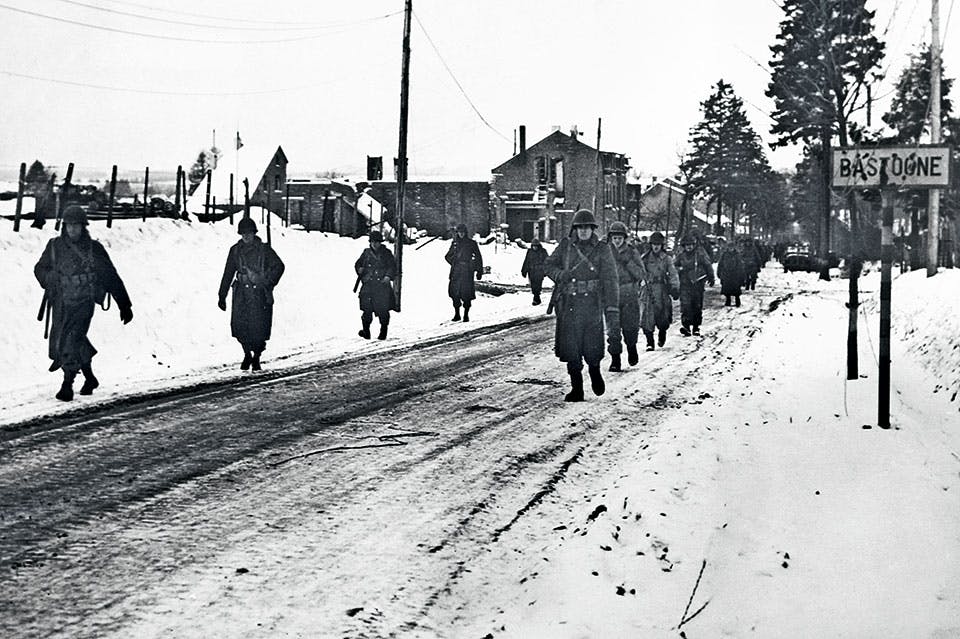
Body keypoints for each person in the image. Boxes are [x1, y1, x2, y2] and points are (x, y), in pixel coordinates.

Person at [34, 205, 133, 401]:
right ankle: (89, 378)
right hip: (61, 302)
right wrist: (48, 277)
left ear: (83, 226)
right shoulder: (54, 246)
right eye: (69, 225)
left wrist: (124, 304)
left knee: (71, 339)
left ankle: (67, 384)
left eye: (76, 225)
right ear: (64, 226)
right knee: (64, 339)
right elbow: (39, 268)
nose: (72, 229)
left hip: (84, 302)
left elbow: (110, 276)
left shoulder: (93, 249)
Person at [544, 209, 619, 401]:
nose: (583, 231)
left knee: (592, 346)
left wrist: (611, 307)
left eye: (587, 227)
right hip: (569, 304)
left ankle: (594, 371)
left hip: (592, 304)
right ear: (575, 229)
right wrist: (560, 275)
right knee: (571, 348)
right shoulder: (566, 246)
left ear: (593, 229)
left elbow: (611, 279)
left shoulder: (602, 249)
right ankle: (577, 388)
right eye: (580, 227)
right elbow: (548, 265)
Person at [218, 217, 285, 371]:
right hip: (241, 293)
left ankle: (256, 357)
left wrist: (268, 282)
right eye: (243, 233)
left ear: (254, 233)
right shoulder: (235, 251)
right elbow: (228, 273)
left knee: (258, 328)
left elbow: (279, 266)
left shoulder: (264, 249)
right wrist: (222, 295)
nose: (246, 236)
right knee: (240, 326)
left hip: (259, 294)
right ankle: (247, 353)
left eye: (249, 233)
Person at [606, 221, 646, 370]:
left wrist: (628, 262)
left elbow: (641, 274)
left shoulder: (632, 252)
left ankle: (631, 348)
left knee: (630, 327)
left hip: (629, 294)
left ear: (624, 238)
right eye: (614, 238)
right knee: (613, 330)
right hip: (611, 295)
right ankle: (615, 360)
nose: (617, 241)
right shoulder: (605, 252)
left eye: (620, 238)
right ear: (610, 238)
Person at [639, 231, 679, 351]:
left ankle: (662, 332)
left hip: (662, 289)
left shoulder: (667, 259)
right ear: (650, 245)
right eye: (654, 244)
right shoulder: (645, 258)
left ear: (662, 245)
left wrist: (675, 287)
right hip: (648, 289)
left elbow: (673, 274)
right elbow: (638, 272)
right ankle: (649, 341)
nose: (656, 246)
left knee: (663, 315)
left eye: (658, 244)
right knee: (646, 315)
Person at [354, 229, 397, 340]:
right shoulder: (366, 253)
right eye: (372, 242)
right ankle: (366, 331)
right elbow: (358, 264)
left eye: (377, 242)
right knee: (366, 310)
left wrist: (388, 276)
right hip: (368, 285)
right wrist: (360, 269)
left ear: (380, 242)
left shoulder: (386, 253)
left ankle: (383, 332)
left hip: (382, 285)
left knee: (383, 310)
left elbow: (392, 266)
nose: (375, 244)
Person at [674, 234, 715, 336]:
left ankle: (696, 327)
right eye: (687, 245)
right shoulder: (681, 256)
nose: (689, 247)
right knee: (685, 305)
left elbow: (708, 265)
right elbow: (674, 266)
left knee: (696, 305)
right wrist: (679, 270)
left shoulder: (700, 254)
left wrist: (711, 277)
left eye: (691, 245)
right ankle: (686, 326)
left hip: (697, 283)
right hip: (685, 284)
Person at [445, 223, 483, 322]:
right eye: (459, 232)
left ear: (466, 233)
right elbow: (447, 256)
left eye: (463, 232)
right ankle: (457, 314)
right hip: (456, 272)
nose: (461, 234)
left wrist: (478, 270)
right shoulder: (454, 244)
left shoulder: (471, 243)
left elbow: (478, 257)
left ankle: (466, 314)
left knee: (466, 293)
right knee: (454, 293)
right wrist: (454, 262)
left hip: (467, 271)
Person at [520, 237, 549, 305]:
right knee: (533, 285)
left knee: (538, 285)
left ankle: (536, 298)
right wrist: (524, 271)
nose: (534, 247)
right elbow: (526, 261)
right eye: (533, 246)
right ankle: (536, 297)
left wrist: (546, 271)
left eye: (536, 246)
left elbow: (547, 261)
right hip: (531, 271)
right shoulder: (530, 251)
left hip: (539, 271)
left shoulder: (543, 251)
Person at [717, 241, 746, 307]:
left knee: (736, 289)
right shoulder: (724, 254)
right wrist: (719, 272)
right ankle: (728, 300)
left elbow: (741, 265)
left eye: (732, 247)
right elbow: (720, 264)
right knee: (727, 289)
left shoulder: (737, 255)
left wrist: (741, 275)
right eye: (730, 247)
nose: (731, 249)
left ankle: (737, 300)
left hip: (735, 274)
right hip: (726, 274)